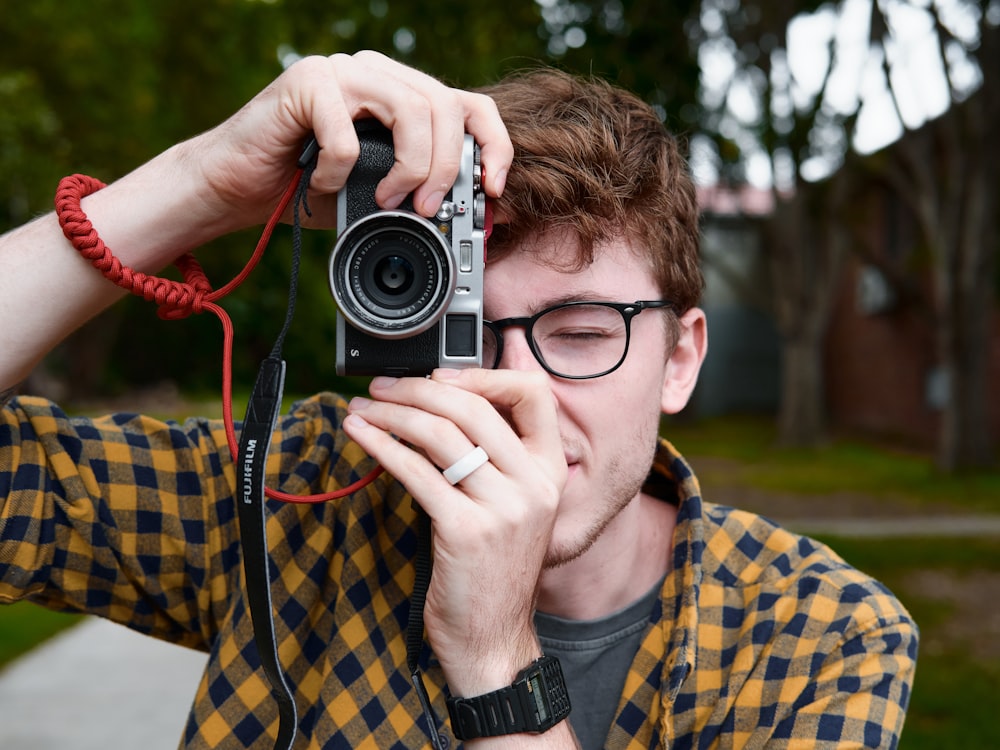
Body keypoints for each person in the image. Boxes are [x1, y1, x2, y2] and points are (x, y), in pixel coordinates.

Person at [0, 50, 917, 749]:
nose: (521, 394)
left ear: (680, 360)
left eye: (584, 334)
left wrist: (496, 662)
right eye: (460, 329)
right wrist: (198, 184)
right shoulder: (289, 497)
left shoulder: (821, 634)